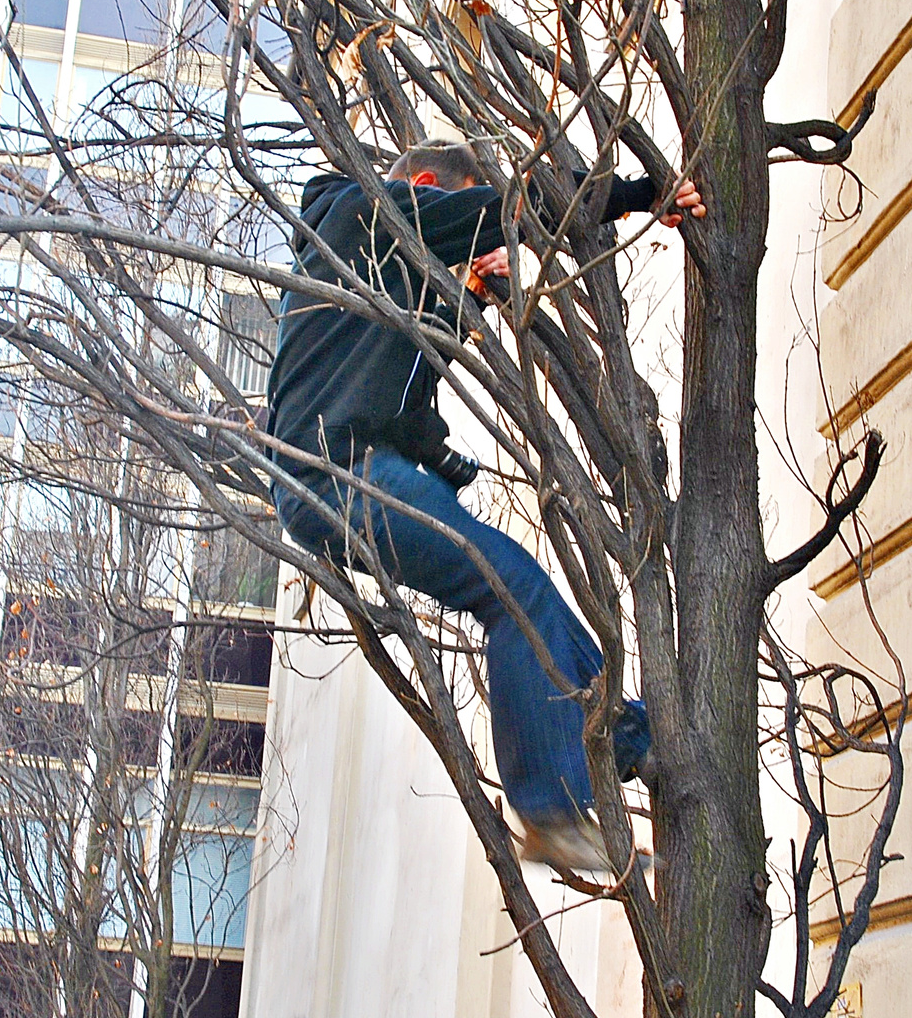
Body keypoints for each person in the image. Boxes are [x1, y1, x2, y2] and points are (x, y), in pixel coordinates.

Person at [267, 140, 704, 872]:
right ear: (427, 189)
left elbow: (406, 409)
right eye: (443, 223)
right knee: (510, 588)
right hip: (338, 473)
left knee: (531, 592)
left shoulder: (370, 275)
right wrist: (636, 193)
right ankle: (547, 808)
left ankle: (631, 737)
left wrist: (463, 299)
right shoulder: (361, 211)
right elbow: (508, 210)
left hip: (355, 470)